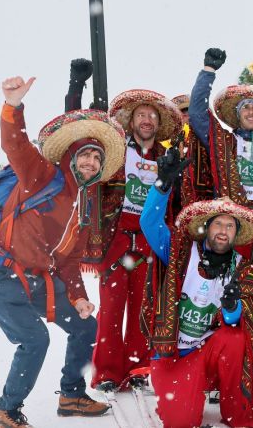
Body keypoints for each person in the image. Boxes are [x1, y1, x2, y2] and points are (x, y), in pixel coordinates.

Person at [0, 75, 125, 427]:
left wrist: (80, 298)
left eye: (96, 158)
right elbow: (15, 147)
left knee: (86, 326)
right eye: (84, 154)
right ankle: (7, 411)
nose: (89, 162)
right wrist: (13, 106)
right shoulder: (40, 176)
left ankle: (71, 394)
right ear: (71, 156)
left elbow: (69, 263)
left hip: (37, 280)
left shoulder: (85, 209)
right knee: (34, 341)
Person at [139, 150, 253, 428]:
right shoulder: (180, 253)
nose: (223, 231)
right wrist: (162, 185)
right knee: (182, 422)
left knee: (236, 339)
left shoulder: (241, 268)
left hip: (209, 355)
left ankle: (239, 413)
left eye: (230, 227)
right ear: (207, 228)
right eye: (218, 224)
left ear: (236, 235)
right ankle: (181, 396)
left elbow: (245, 323)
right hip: (173, 356)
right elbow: (149, 224)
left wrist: (233, 308)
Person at [89, 89, 183, 391]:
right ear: (130, 121)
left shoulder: (165, 158)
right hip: (116, 238)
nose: (147, 120)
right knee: (111, 308)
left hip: (148, 240)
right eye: (141, 115)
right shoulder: (115, 151)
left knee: (144, 307)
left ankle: (138, 367)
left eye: (152, 116)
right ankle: (107, 373)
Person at [185, 48, 253, 215]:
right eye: (245, 107)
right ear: (238, 113)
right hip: (229, 224)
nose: (251, 112)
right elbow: (196, 113)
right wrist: (208, 71)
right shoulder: (225, 142)